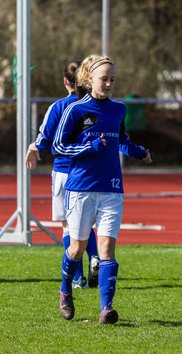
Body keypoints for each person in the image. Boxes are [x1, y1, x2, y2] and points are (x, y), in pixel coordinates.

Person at [53, 54, 152, 324]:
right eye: (104, 79)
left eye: (112, 79)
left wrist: (138, 152)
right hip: (81, 188)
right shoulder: (75, 111)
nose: (108, 84)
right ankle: (65, 290)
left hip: (111, 188)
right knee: (76, 249)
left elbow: (121, 139)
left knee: (107, 248)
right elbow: (58, 147)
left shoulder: (119, 109)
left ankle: (106, 308)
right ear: (89, 79)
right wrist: (89, 147)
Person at [25, 60, 100, 289]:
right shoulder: (94, 105)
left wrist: (32, 147)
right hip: (88, 172)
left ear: (65, 81)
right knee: (87, 224)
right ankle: (95, 257)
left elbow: (45, 139)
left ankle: (77, 278)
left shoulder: (60, 106)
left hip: (64, 172)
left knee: (69, 226)